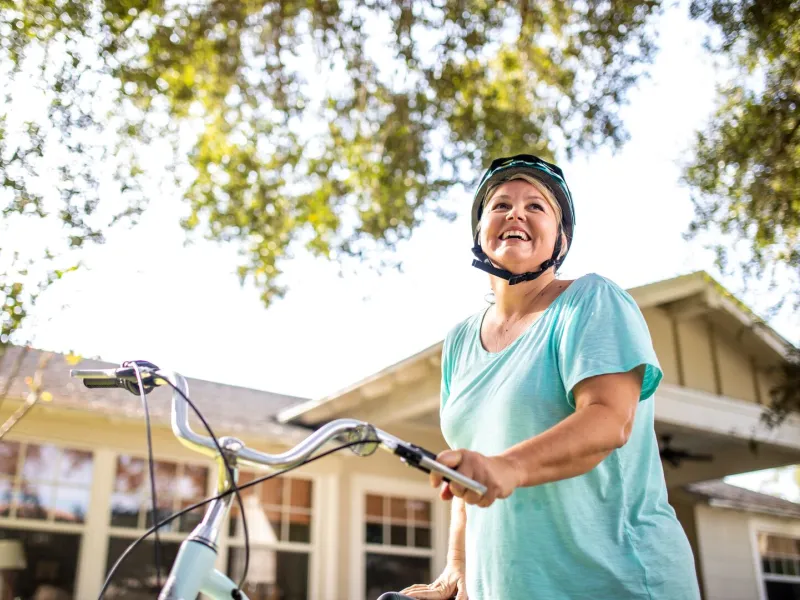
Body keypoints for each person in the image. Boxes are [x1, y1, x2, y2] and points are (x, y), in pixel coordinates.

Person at [379, 155, 701, 600]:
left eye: (536, 206)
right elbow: (468, 460)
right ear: (480, 232)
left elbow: (610, 420)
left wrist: (505, 467)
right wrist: (456, 567)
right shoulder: (458, 342)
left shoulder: (591, 301)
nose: (515, 213)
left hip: (616, 582)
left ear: (560, 238)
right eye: (501, 205)